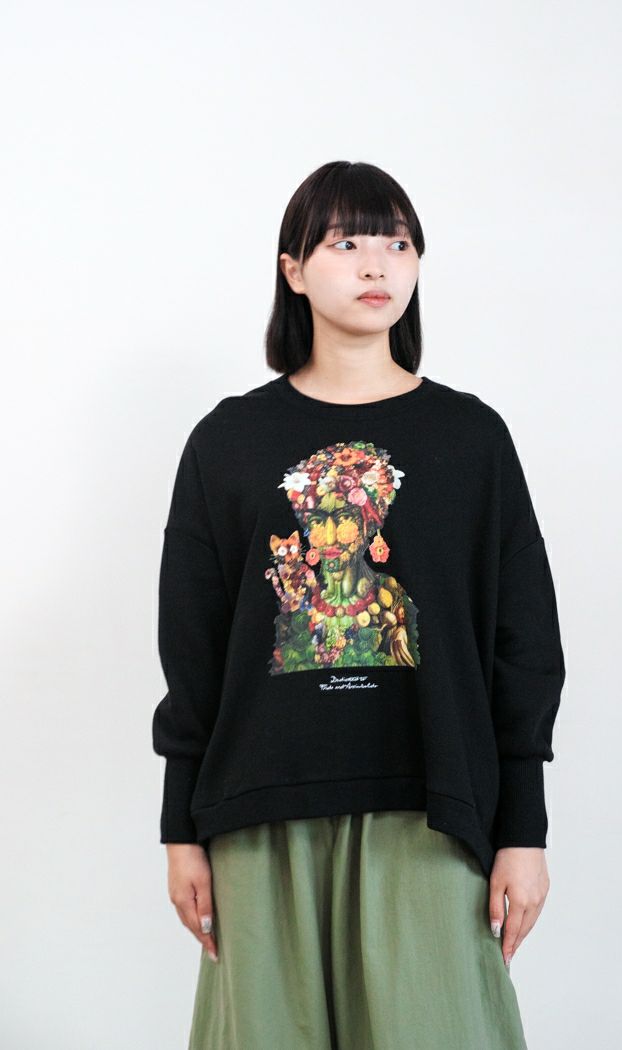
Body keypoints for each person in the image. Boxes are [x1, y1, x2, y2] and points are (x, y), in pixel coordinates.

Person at [153, 159, 566, 1049]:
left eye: (399, 243)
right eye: (346, 243)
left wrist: (523, 829)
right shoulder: (228, 442)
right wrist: (179, 824)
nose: (378, 264)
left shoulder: (470, 440)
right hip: (259, 814)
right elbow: (192, 646)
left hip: (434, 805)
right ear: (293, 269)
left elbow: (524, 641)